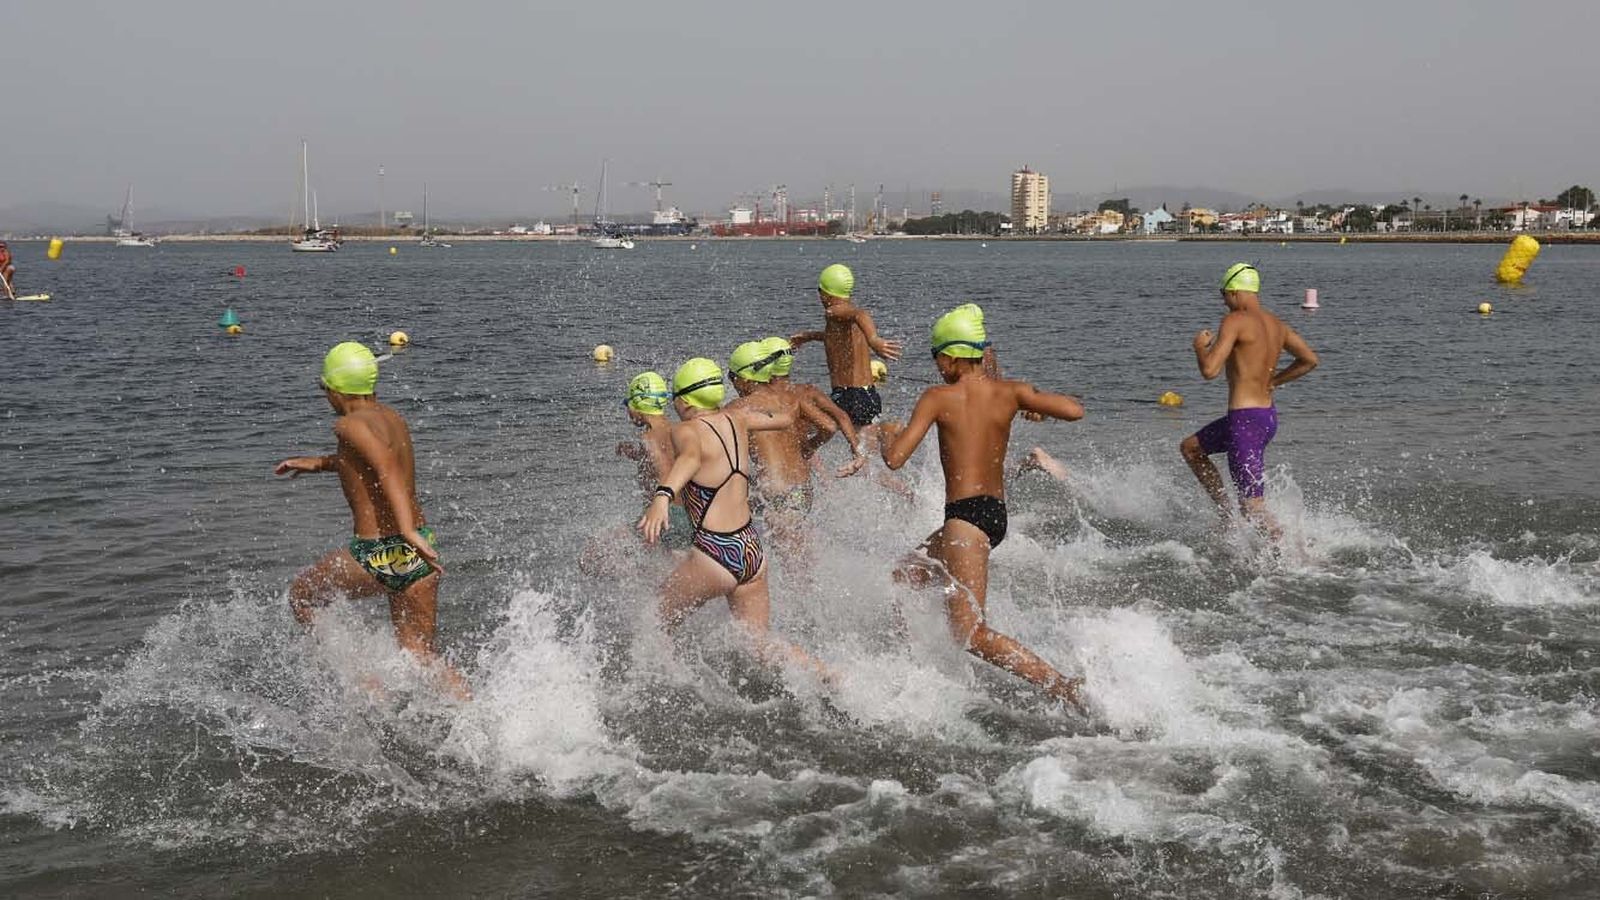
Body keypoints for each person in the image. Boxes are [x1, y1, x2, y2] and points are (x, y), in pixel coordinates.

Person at [880, 304, 1086, 712]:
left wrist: (887, 434)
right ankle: (914, 666)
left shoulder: (938, 397)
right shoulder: (1010, 391)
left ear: (953, 357)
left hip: (964, 522)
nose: (936, 366)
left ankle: (1060, 685)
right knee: (902, 575)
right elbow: (1074, 410)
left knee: (970, 633)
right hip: (993, 516)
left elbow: (895, 458)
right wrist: (1031, 403)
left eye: (937, 357)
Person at [274, 342, 465, 694]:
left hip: (381, 551)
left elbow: (386, 467)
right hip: (419, 552)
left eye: (324, 389)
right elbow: (372, 462)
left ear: (334, 388)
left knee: (302, 597)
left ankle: (365, 685)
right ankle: (476, 719)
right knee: (420, 655)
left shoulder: (348, 425)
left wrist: (404, 530)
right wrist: (318, 463)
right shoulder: (392, 419)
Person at [638, 358, 829, 680]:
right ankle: (828, 674)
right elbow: (783, 418)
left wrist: (662, 497)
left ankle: (670, 689)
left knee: (653, 621)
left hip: (716, 552)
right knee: (759, 645)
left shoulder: (686, 430)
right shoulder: (739, 418)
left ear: (683, 402)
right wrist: (780, 398)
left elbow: (690, 457)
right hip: (752, 551)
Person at [1181, 263, 1319, 534]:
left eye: (1223, 295)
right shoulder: (1277, 325)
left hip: (1244, 422)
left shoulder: (1234, 321)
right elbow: (1310, 360)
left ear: (1234, 291)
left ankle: (1294, 561)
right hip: (1265, 418)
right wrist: (1274, 381)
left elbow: (1210, 370)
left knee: (1253, 507)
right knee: (1191, 448)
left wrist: (1199, 349)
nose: (1224, 302)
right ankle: (1226, 516)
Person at [727, 341, 865, 560]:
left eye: (732, 377)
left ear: (744, 378)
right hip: (802, 491)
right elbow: (830, 425)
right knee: (795, 553)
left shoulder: (738, 408)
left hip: (774, 494)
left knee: (788, 559)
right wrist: (810, 447)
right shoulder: (794, 398)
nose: (732, 383)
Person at [582, 371, 688, 575]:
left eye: (628, 405)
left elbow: (664, 475)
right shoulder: (677, 429)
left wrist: (658, 506)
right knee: (672, 565)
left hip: (662, 515)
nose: (628, 413)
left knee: (591, 555)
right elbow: (667, 461)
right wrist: (635, 453)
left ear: (635, 405)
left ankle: (629, 589)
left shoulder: (648, 436)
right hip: (684, 515)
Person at [790, 264, 903, 437]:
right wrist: (810, 336)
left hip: (850, 394)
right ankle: (886, 430)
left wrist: (874, 339)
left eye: (819, 291)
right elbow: (838, 339)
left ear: (825, 293)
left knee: (804, 425)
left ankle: (805, 458)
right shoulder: (845, 317)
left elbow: (861, 314)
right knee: (864, 448)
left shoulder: (834, 311)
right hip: (866, 393)